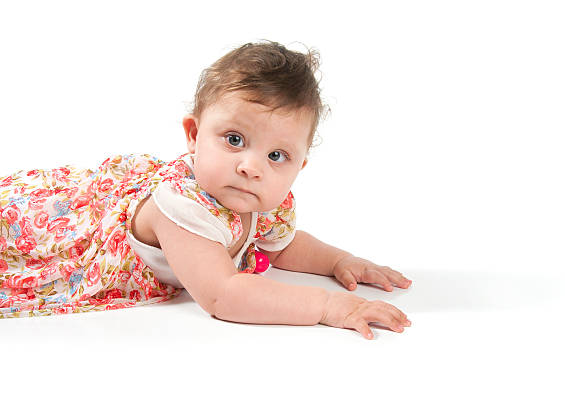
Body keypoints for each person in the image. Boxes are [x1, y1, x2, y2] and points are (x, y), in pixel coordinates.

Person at [0, 41, 411, 339]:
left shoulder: (262, 198)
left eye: (277, 156)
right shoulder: (180, 207)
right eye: (234, 139)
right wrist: (328, 306)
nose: (252, 167)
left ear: (299, 165)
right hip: (71, 233)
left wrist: (340, 260)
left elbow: (276, 245)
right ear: (194, 135)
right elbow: (224, 295)